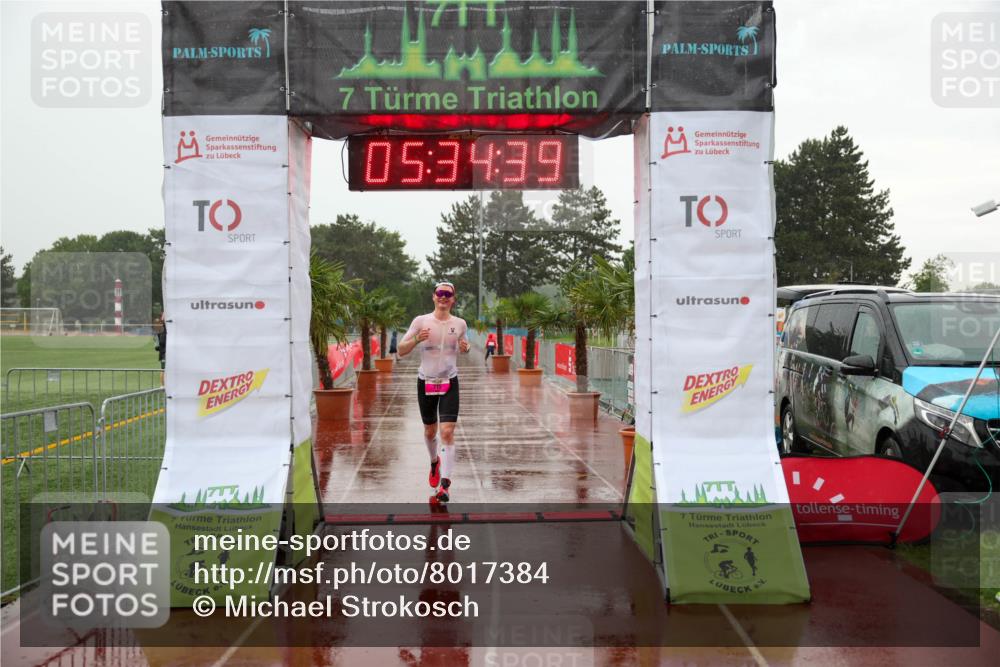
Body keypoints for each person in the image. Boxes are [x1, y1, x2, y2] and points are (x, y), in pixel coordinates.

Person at [397, 282, 470, 503]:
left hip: (450, 381)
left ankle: (445, 486)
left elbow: (463, 347)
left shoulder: (460, 324)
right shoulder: (421, 321)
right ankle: (434, 462)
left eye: (448, 294)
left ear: (453, 299)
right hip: (426, 381)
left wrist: (465, 348)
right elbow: (400, 350)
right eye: (440, 293)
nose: (444, 297)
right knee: (430, 432)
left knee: (447, 432)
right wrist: (417, 339)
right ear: (434, 297)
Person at [153, 313, 167, 385]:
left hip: (164, 353)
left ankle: (163, 386)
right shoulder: (162, 330)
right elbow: (157, 345)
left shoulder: (162, 329)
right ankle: (162, 386)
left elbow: (156, 346)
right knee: (163, 370)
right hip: (164, 353)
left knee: (163, 370)